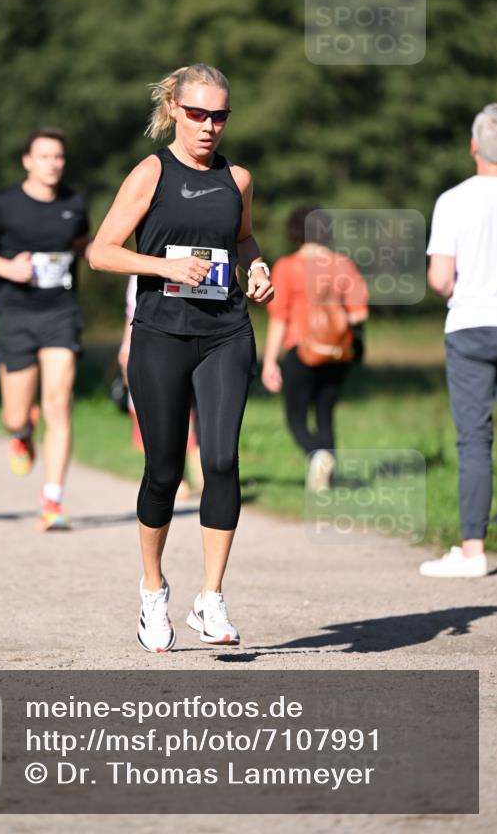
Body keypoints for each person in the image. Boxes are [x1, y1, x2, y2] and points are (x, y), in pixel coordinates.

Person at [90, 63, 273, 653]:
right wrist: (164, 266)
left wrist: (259, 266)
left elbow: (243, 238)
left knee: (220, 461)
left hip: (225, 333)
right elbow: (101, 252)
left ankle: (211, 598)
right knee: (164, 471)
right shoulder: (152, 172)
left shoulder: (237, 179)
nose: (209, 126)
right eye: (198, 114)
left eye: (219, 116)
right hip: (161, 335)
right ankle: (152, 591)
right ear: (174, 110)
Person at [0, 127, 90, 531]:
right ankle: (21, 431)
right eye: (45, 156)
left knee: (59, 402)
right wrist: (9, 268)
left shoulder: (74, 203)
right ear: (27, 161)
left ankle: (52, 500)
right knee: (13, 414)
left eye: (59, 157)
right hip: (15, 313)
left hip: (60, 313)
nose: (53, 164)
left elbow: (82, 246)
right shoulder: (4, 203)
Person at [420, 102, 497, 578]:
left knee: (475, 439)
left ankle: (473, 551)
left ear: (474, 146)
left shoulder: (453, 200)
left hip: (470, 326)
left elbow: (440, 279)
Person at [261, 206, 369, 490]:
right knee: (325, 413)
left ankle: (316, 455)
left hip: (302, 349)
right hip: (337, 352)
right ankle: (326, 479)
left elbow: (279, 318)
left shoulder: (287, 267)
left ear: (295, 232)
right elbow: (359, 313)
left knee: (295, 417)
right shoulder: (343, 264)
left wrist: (270, 361)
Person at [119, 275, 204, 498]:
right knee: (173, 413)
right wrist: (126, 349)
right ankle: (180, 476)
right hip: (159, 340)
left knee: (198, 410)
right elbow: (133, 309)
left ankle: (201, 469)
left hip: (203, 337)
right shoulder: (142, 264)